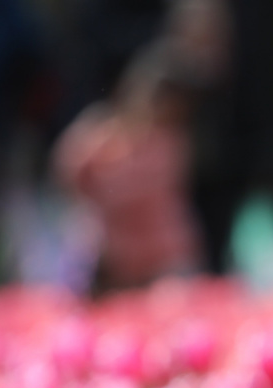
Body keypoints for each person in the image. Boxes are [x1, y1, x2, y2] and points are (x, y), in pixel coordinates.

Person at [53, 46, 200, 288]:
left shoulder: (171, 142)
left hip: (164, 259)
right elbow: (66, 172)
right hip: (111, 259)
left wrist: (103, 184)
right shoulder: (98, 130)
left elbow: (141, 190)